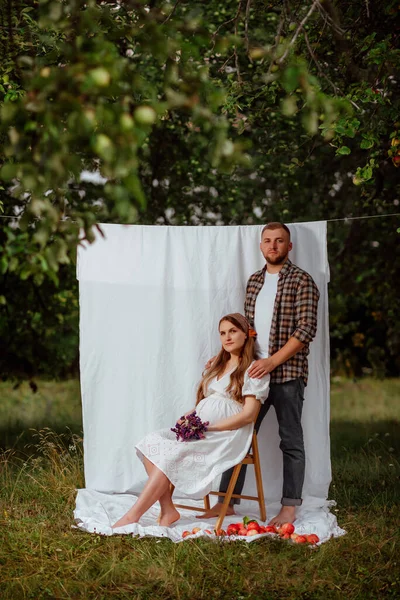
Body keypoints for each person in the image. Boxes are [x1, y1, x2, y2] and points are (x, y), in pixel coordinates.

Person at [200, 222, 320, 527]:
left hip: (287, 374)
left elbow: (305, 330)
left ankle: (289, 507)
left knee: (290, 440)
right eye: (267, 241)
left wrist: (272, 362)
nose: (273, 246)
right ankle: (227, 503)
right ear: (261, 245)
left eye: (280, 241)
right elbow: (246, 330)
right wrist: (224, 355)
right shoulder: (254, 282)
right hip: (252, 374)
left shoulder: (302, 281)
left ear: (289, 246)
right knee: (240, 434)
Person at [112, 313, 270, 529]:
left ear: (246, 334)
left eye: (233, 331)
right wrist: (189, 417)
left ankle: (134, 515)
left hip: (227, 434)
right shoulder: (216, 367)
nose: (227, 337)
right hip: (200, 428)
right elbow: (207, 403)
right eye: (222, 333)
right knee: (151, 442)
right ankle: (168, 510)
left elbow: (248, 415)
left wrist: (210, 427)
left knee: (170, 455)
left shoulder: (254, 369)